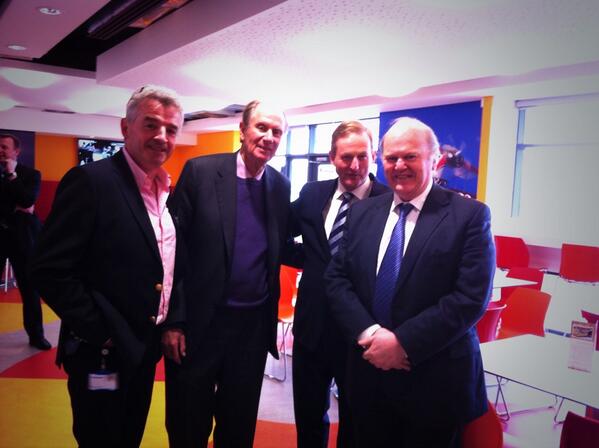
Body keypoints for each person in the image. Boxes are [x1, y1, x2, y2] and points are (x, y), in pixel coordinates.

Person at [324, 117, 495, 447]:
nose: (399, 165)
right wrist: (370, 334)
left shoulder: (470, 216)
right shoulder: (362, 213)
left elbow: (470, 297)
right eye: (391, 158)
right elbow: (337, 278)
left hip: (434, 384)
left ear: (435, 159)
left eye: (410, 156)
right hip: (367, 376)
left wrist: (401, 343)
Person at [31, 85, 184, 447]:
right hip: (101, 353)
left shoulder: (165, 191)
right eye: (151, 125)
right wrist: (102, 330)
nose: (162, 137)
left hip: (144, 349)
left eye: (171, 129)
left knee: (129, 437)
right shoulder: (91, 182)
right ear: (125, 128)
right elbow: (48, 268)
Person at [162, 100, 292, 447]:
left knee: (238, 427)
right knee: (187, 424)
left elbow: (281, 246)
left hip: (251, 329)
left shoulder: (280, 186)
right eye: (261, 127)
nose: (268, 137)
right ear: (243, 129)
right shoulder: (200, 172)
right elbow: (172, 250)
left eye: (277, 131)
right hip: (199, 326)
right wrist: (174, 321)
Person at [291, 121, 389, 448]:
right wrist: (310, 260)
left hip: (362, 332)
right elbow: (279, 232)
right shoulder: (312, 194)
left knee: (358, 420)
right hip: (312, 327)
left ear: (373, 156)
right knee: (308, 416)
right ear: (332, 156)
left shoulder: (390, 202)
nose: (355, 165)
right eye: (346, 157)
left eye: (363, 156)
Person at [0, 133, 50, 350]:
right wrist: (16, 207)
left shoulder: (31, 174)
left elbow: (28, 200)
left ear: (16, 151)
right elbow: (20, 203)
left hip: (23, 238)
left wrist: (12, 176)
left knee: (30, 290)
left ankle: (36, 336)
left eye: (4, 147)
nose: (0, 150)